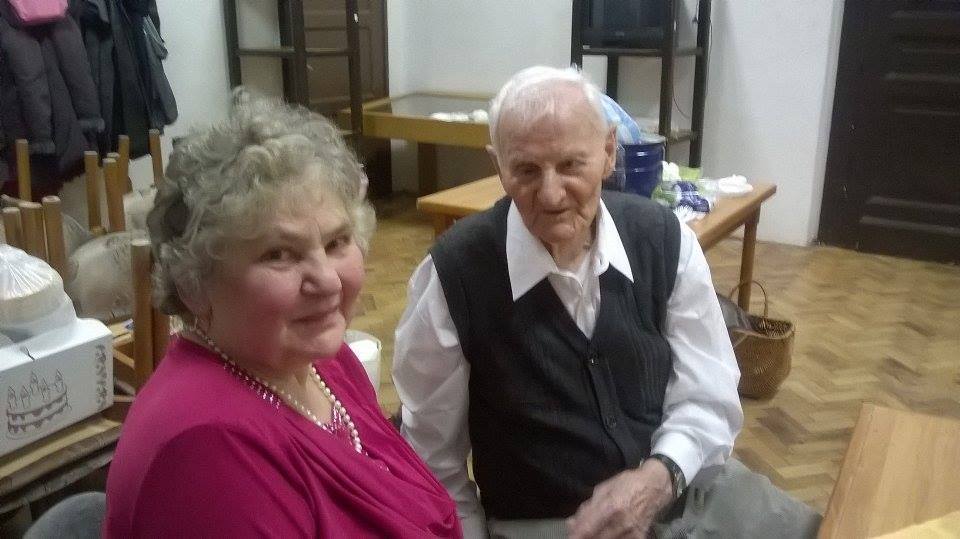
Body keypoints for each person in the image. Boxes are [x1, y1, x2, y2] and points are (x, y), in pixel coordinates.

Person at [393, 66, 820, 538]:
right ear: (498, 166)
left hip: (682, 488)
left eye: (571, 165)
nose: (551, 194)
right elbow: (433, 463)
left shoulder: (664, 240)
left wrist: (660, 476)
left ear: (609, 152)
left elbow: (709, 395)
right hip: (553, 525)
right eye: (526, 170)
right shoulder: (454, 276)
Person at [104, 94, 461, 538]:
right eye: (279, 254)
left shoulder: (323, 362)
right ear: (194, 284)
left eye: (337, 242)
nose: (327, 281)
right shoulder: (205, 453)